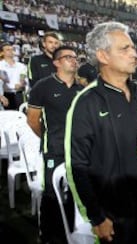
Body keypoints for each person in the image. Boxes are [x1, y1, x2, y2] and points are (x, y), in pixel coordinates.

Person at [64, 22, 137, 244]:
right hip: (111, 214)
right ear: (103, 56)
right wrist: (97, 217)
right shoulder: (85, 103)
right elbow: (76, 166)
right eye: (125, 49)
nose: (134, 54)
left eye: (133, 47)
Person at [27, 46, 82, 243]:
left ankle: (68, 230)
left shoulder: (81, 88)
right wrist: (48, 137)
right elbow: (33, 120)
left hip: (77, 150)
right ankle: (48, 234)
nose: (74, 61)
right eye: (68, 57)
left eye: (76, 58)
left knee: (76, 192)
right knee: (52, 193)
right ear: (57, 62)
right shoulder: (43, 86)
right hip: (54, 149)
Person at [0, 42, 28, 110]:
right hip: (5, 95)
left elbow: (23, 78)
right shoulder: (0, 66)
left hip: (19, 94)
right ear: (2, 53)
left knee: (21, 115)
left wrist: (21, 84)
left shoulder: (21, 66)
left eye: (12, 49)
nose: (11, 51)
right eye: (7, 50)